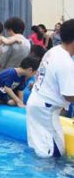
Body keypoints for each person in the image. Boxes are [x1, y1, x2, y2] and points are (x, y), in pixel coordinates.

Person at [26, 19, 74, 158]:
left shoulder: (54, 51)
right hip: (47, 111)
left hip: (36, 102)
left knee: (40, 150)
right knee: (52, 155)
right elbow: (68, 95)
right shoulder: (65, 62)